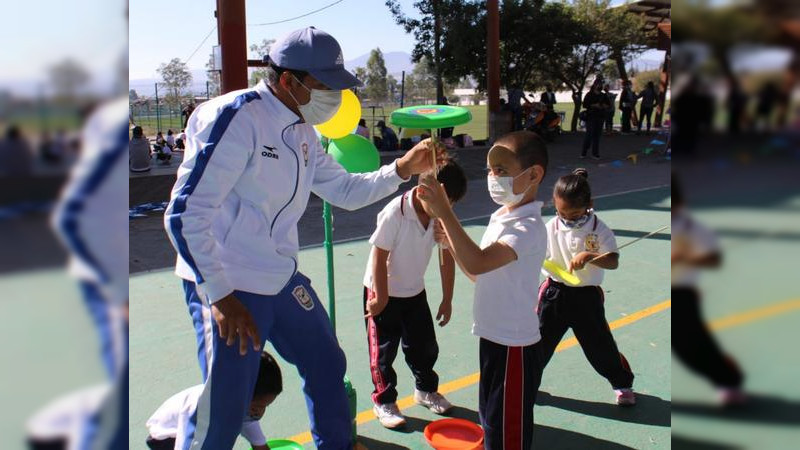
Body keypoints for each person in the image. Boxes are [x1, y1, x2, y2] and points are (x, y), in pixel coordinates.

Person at [163, 26, 444, 450]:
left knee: (327, 363)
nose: (333, 96)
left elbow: (346, 192)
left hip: (279, 277)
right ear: (288, 80)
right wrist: (219, 297)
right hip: (228, 282)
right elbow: (184, 213)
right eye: (324, 85)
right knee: (225, 406)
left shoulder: (302, 131)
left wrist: (401, 169)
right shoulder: (236, 117)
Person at [417, 130, 548, 450]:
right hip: (493, 338)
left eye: (502, 170)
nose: (493, 177)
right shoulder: (503, 217)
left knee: (508, 433)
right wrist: (449, 240)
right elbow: (480, 274)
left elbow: (476, 263)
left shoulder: (527, 226)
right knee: (491, 420)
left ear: (533, 174)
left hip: (513, 346)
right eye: (491, 170)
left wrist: (446, 213)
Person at [363, 161, 468, 429]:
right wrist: (381, 298)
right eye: (447, 203)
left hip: (415, 292)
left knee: (424, 346)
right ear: (424, 192)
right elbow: (379, 255)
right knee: (383, 352)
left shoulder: (438, 214)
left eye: (452, 205)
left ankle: (425, 390)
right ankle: (384, 401)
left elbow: (447, 256)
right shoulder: (394, 213)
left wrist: (447, 298)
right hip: (383, 291)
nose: (449, 210)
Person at [538, 168, 636, 406]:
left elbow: (613, 261)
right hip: (555, 293)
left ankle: (622, 384)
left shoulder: (598, 229)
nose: (568, 218)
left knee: (600, 346)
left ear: (589, 205)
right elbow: (537, 252)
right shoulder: (551, 226)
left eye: (574, 213)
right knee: (537, 344)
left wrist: (591, 256)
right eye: (562, 212)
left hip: (587, 298)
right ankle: (527, 382)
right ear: (554, 203)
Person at [671, 175, 746, 406]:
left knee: (696, 343)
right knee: (682, 347)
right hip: (672, 292)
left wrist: (686, 257)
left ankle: (729, 380)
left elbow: (715, 260)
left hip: (683, 293)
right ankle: (726, 377)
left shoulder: (691, 227)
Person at [145, 351, 282, 450]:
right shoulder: (205, 407)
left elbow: (259, 445)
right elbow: (187, 442)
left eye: (266, 406)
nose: (260, 412)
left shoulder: (243, 409)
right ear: (240, 392)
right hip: (167, 438)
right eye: (256, 406)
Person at [581, 81, 610, 159]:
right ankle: (584, 151)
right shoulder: (589, 95)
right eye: (598, 84)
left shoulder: (603, 95)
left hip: (600, 117)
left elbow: (608, 105)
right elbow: (584, 105)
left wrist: (604, 106)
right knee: (589, 135)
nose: (599, 86)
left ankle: (595, 153)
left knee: (597, 136)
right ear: (594, 85)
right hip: (591, 117)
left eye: (601, 85)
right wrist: (594, 105)